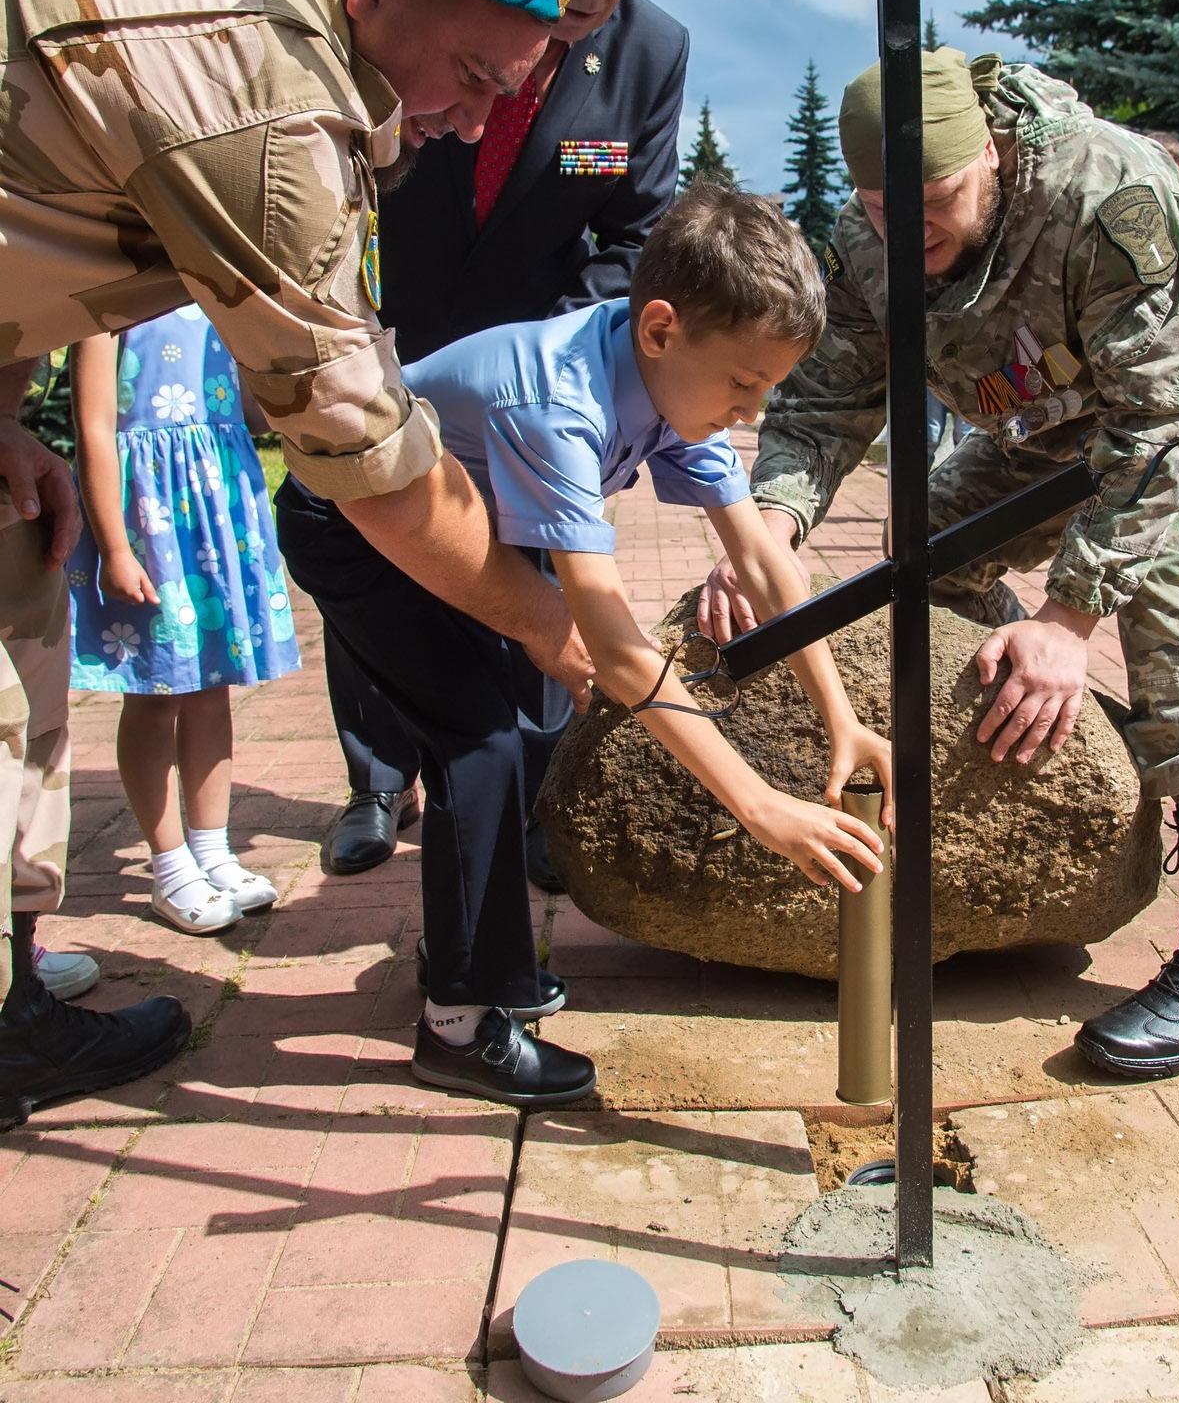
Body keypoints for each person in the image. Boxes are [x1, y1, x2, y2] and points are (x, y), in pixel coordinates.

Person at [0, 0, 592, 1129]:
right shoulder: (262, 99)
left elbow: (29, 195)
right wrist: (557, 630)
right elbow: (366, 458)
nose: (482, 121)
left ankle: (9, 1018)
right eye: (479, 77)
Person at [699, 48, 1179, 1083]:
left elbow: (1164, 424)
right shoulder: (866, 242)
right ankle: (1004, 727)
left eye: (937, 197)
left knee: (1166, 581)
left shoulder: (1102, 192)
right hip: (1069, 418)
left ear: (989, 153)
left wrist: (1070, 619)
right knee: (923, 553)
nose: (913, 228)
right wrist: (771, 529)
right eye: (884, 204)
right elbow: (824, 406)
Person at [277, 187, 892, 1108]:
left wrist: (841, 718)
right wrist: (761, 807)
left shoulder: (673, 382)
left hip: (472, 523)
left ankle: (463, 953)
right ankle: (458, 1024)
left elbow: (765, 563)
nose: (750, 410)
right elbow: (618, 649)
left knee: (514, 735)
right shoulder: (558, 403)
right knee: (475, 741)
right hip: (356, 523)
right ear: (660, 328)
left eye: (767, 389)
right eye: (743, 384)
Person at [322, 0, 687, 881]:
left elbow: (636, 234)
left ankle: (524, 798)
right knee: (380, 561)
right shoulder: (430, 11)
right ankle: (376, 780)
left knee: (530, 580)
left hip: (543, 382)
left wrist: (549, 358)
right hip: (395, 351)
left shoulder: (650, 52)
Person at [68, 306, 301, 933]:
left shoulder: (216, 292)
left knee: (211, 687)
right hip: (148, 517)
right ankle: (169, 866)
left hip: (215, 504)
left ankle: (211, 849)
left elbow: (254, 410)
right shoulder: (108, 303)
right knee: (154, 692)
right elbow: (93, 428)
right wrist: (115, 548)